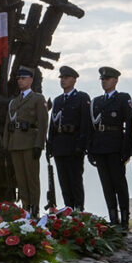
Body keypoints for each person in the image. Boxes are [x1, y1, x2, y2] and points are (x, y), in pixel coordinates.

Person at [89, 67, 132, 230]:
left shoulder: (122, 98)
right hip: (100, 146)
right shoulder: (97, 101)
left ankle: (124, 219)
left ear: (115, 81)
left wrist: (127, 149)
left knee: (119, 184)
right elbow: (91, 128)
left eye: (107, 79)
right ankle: (113, 217)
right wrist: (91, 149)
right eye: (102, 79)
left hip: (116, 146)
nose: (104, 82)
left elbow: (130, 124)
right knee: (106, 184)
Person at [2, 66, 48, 217]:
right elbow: (8, 124)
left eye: (23, 78)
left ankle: (34, 208)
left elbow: (42, 124)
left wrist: (39, 145)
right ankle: (25, 208)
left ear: (31, 80)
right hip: (15, 143)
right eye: (19, 79)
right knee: (21, 179)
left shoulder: (38, 99)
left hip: (29, 142)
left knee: (31, 178)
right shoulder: (14, 102)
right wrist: (6, 144)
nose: (20, 81)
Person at [47, 66, 92, 210]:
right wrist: (50, 144)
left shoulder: (81, 98)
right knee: (63, 181)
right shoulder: (57, 100)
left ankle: (78, 209)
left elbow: (86, 123)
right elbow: (52, 124)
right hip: (59, 145)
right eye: (61, 78)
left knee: (75, 180)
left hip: (74, 144)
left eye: (66, 78)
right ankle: (68, 208)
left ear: (74, 79)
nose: (63, 81)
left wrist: (82, 145)